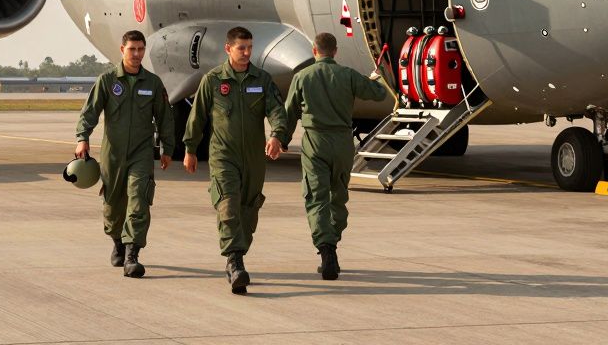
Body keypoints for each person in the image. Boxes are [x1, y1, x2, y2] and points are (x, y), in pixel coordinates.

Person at [277, 31, 390, 280]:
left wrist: (282, 140)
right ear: (335, 51)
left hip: (315, 142)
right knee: (338, 196)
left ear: (314, 51)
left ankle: (326, 248)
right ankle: (333, 241)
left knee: (317, 197)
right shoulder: (348, 75)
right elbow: (379, 94)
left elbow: (290, 112)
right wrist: (374, 79)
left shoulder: (302, 77)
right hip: (343, 143)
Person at [184, 26, 287, 294]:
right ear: (228, 48)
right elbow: (198, 117)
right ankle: (235, 261)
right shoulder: (214, 80)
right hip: (223, 155)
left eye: (250, 47)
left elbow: (276, 110)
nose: (246, 52)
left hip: (254, 157)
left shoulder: (262, 79)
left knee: (248, 211)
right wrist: (190, 149)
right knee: (228, 204)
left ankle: (238, 254)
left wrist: (276, 135)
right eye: (241, 48)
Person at [75, 30, 174, 278]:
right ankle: (117, 242)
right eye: (132, 49)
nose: (137, 54)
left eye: (141, 49)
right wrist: (82, 138)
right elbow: (90, 112)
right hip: (113, 154)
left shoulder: (152, 83)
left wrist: (167, 148)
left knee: (139, 200)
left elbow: (165, 118)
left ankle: (132, 254)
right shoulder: (108, 80)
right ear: (122, 50)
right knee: (112, 206)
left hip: (141, 153)